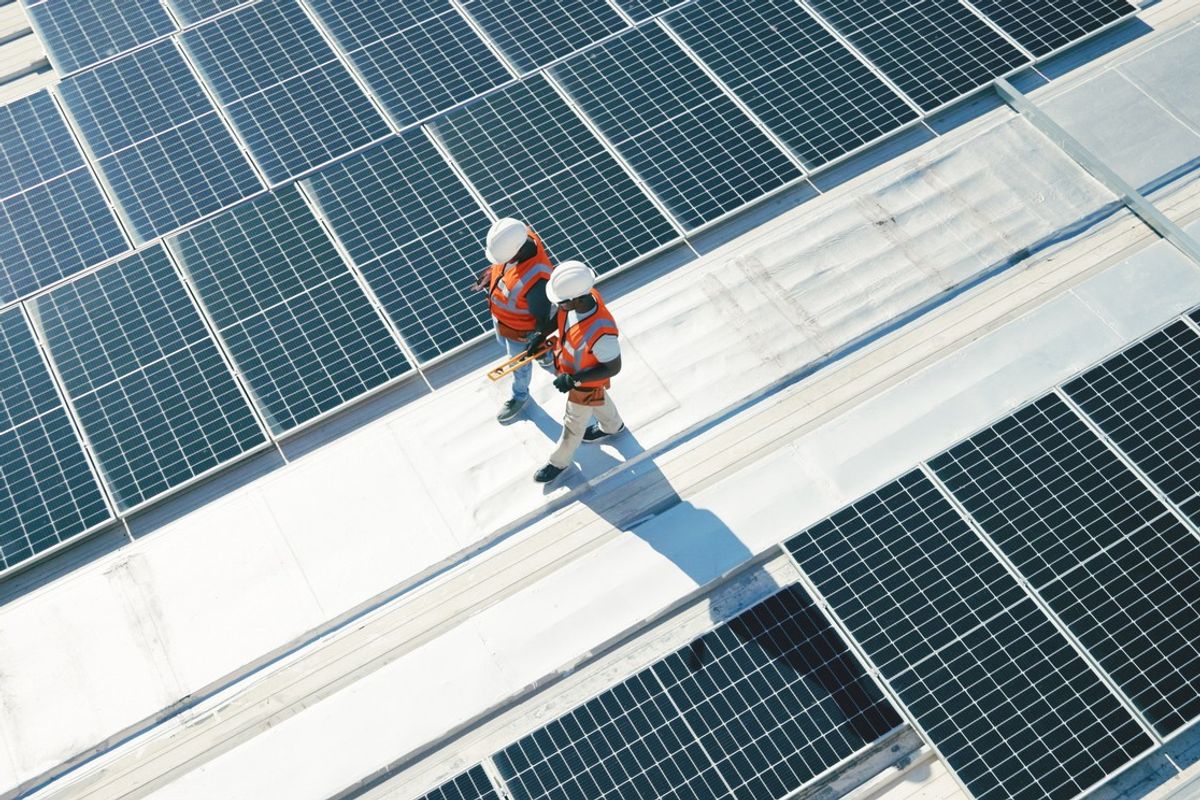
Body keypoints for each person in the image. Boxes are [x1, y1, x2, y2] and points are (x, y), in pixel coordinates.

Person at [534, 260, 625, 484]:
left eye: (562, 303)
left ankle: (558, 462)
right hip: (577, 375)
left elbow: (613, 367)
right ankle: (613, 426)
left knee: (573, 424)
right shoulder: (580, 297)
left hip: (583, 382)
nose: (559, 306)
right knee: (599, 399)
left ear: (577, 299)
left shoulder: (601, 332)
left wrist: (574, 379)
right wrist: (541, 335)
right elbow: (561, 317)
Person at [476, 218, 557, 423]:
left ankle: (520, 396)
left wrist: (537, 339)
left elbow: (543, 319)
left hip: (521, 334)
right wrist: (490, 275)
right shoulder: (517, 237)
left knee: (519, 368)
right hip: (504, 322)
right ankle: (544, 355)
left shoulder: (536, 279)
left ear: (518, 251)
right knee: (507, 345)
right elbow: (505, 268)